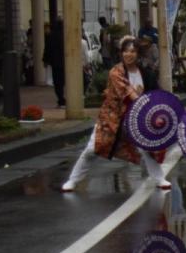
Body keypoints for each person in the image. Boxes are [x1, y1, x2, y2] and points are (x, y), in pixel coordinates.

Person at [62, 36, 170, 192]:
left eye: (132, 51)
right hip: (113, 118)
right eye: (125, 51)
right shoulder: (116, 72)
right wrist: (144, 105)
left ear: (138, 54)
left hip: (137, 119)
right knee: (92, 149)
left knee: (147, 148)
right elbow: (127, 93)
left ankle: (159, 178)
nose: (128, 54)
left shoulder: (146, 73)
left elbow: (155, 94)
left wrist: (159, 112)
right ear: (121, 53)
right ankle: (73, 180)